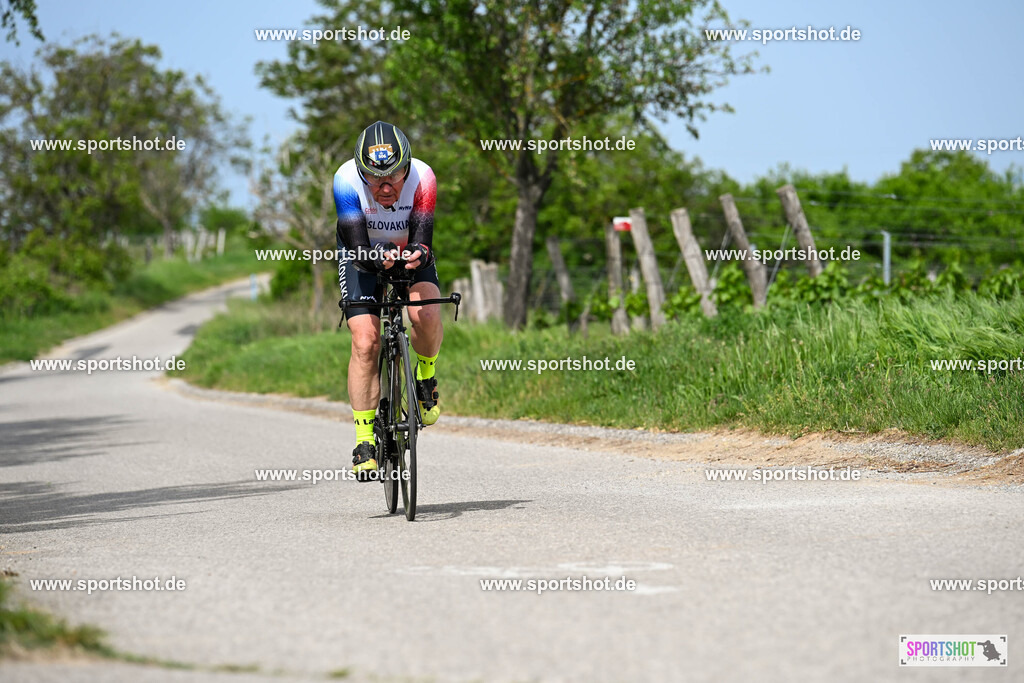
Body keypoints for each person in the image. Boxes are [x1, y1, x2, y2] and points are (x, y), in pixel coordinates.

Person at [333, 121, 442, 480]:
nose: (383, 186)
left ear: (407, 166)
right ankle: (364, 441)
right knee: (365, 341)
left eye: (394, 175)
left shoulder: (424, 177)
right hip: (362, 249)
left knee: (424, 312)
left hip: (408, 245)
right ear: (359, 169)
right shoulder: (346, 180)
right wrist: (375, 255)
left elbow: (424, 240)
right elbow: (357, 246)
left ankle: (425, 379)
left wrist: (416, 255)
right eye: (373, 175)